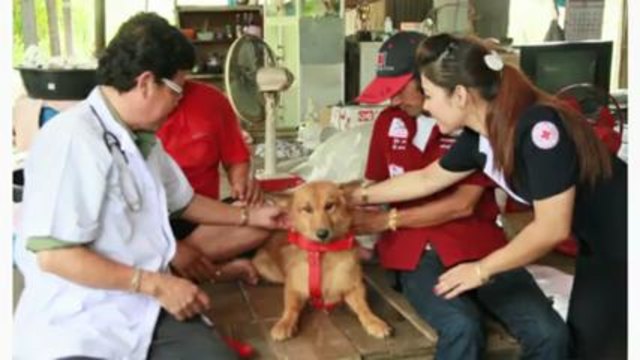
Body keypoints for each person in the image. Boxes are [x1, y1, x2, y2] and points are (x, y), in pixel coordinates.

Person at [13, 12, 285, 360]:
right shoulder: (72, 140)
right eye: (177, 90)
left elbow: (185, 203)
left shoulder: (140, 140)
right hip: (80, 318)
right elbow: (55, 256)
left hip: (139, 307)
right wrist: (156, 283)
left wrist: (251, 217)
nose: (179, 100)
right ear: (145, 83)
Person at [349, 33, 627, 360]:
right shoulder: (480, 137)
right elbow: (426, 179)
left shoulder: (538, 128)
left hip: (624, 242)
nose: (425, 106)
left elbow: (552, 228)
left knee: (596, 346)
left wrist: (480, 269)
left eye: (429, 95)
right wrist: (355, 196)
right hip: (600, 246)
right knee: (583, 341)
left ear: (461, 95)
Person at [157, 80, 268, 285]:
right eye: (171, 87)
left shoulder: (211, 100)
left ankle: (176, 266)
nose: (178, 94)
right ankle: (211, 270)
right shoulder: (138, 119)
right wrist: (171, 247)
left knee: (265, 215)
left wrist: (241, 184)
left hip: (202, 216)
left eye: (181, 80)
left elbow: (235, 158)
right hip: (149, 223)